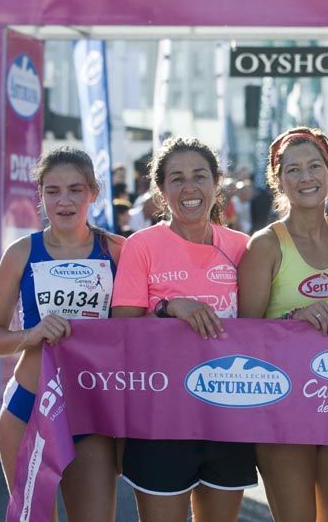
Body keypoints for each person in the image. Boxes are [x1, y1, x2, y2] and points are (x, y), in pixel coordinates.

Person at [111, 137, 256, 522]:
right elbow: (121, 330)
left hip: (228, 413)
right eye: (176, 178)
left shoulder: (243, 247)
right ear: (161, 190)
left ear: (216, 183)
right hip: (161, 417)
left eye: (199, 176)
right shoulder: (141, 246)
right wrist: (167, 306)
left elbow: (264, 325)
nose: (189, 188)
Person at [0, 146, 124, 522]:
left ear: (93, 192)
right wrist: (32, 335)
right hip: (29, 407)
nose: (64, 201)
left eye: (76, 189)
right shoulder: (21, 252)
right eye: (53, 190)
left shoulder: (118, 252)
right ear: (41, 195)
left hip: (92, 411)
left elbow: (141, 332)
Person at [237, 127, 328, 522]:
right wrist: (295, 318)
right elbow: (244, 334)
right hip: (283, 405)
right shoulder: (265, 244)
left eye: (314, 167)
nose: (305, 177)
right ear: (278, 180)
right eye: (292, 170)